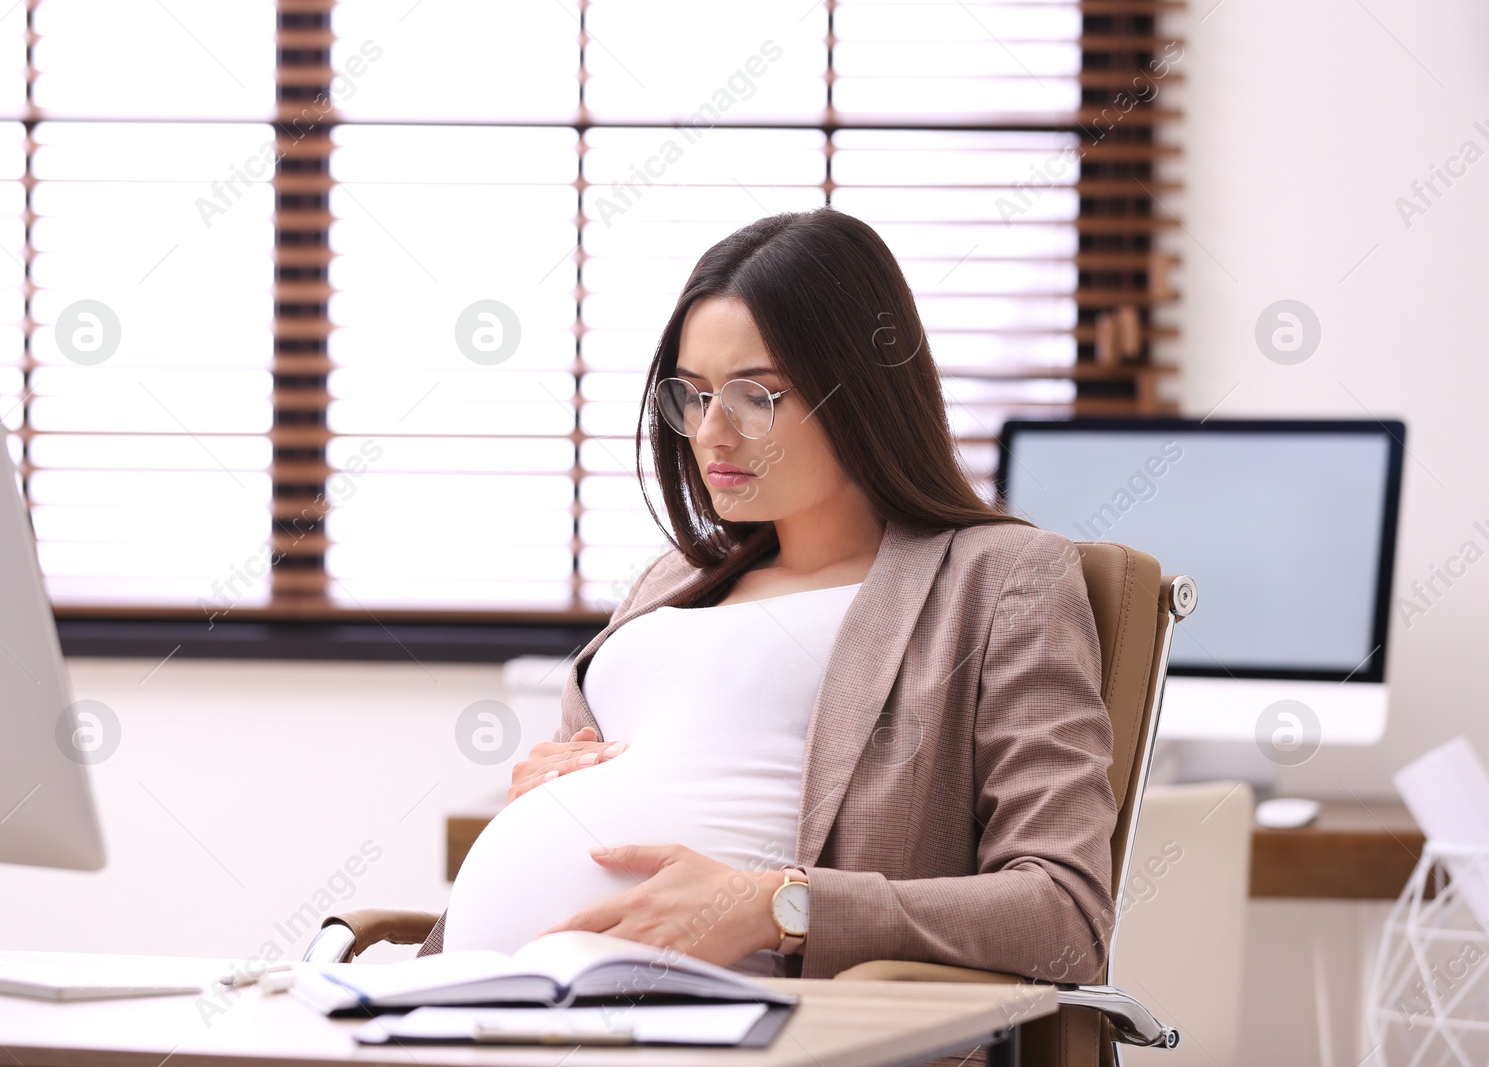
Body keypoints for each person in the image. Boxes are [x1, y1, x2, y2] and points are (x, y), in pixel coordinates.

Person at [418, 207, 1117, 987]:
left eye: (758, 395)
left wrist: (779, 907)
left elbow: (1065, 913)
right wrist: (537, 797)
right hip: (484, 1001)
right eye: (694, 394)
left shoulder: (1001, 578)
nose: (712, 432)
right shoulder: (670, 581)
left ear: (864, 389)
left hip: (740, 1028)